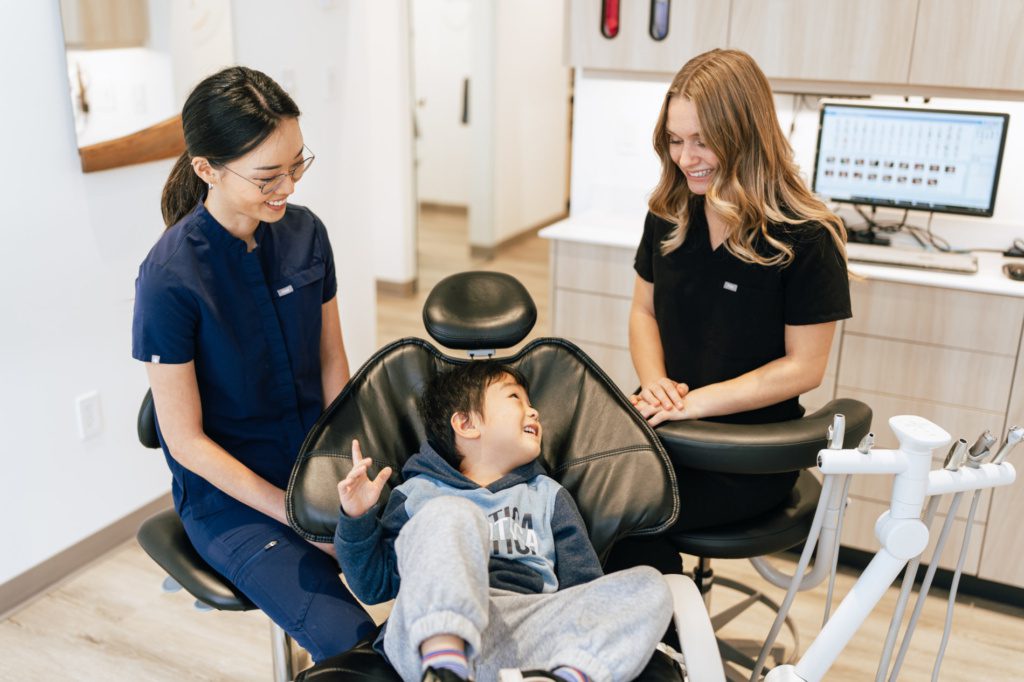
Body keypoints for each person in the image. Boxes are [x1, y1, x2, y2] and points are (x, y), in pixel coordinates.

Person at [131, 66, 374, 661]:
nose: (287, 187)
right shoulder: (168, 280)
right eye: (268, 175)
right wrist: (298, 519)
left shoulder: (306, 235)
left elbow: (332, 361)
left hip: (316, 465)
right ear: (207, 169)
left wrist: (345, 471)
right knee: (354, 644)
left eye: (296, 165)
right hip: (233, 501)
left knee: (440, 571)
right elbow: (184, 441)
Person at [609, 49, 851, 571]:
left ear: (745, 134)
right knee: (570, 491)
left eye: (702, 140)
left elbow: (804, 367)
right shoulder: (670, 213)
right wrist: (656, 386)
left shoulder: (807, 237)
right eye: (675, 140)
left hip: (746, 457)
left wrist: (694, 404)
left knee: (624, 521)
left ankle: (664, 649)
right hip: (666, 430)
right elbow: (642, 312)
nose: (685, 157)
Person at [334, 361, 673, 682]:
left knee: (651, 584)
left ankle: (568, 677)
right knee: (451, 514)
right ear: (467, 424)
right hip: (427, 637)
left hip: (526, 631)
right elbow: (372, 586)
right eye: (515, 399)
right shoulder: (418, 494)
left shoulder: (548, 496)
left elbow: (584, 589)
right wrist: (357, 516)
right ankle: (445, 668)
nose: (534, 411)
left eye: (531, 403)